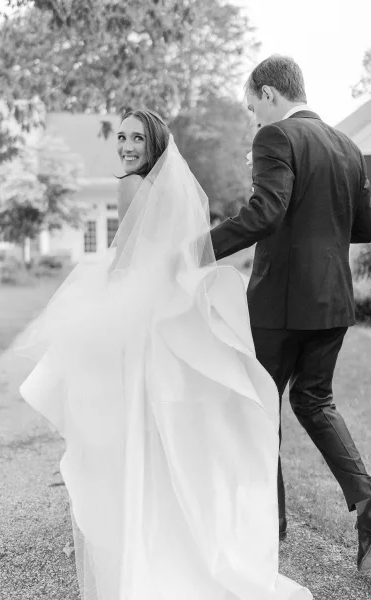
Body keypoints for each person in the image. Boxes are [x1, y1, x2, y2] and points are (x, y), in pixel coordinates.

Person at [18, 108, 312, 600]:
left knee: (123, 428)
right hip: (161, 319)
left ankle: (135, 543)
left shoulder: (132, 186)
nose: (127, 145)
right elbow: (174, 258)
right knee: (153, 433)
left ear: (154, 145)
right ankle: (160, 541)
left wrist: (97, 300)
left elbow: (124, 264)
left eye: (137, 137)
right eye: (122, 136)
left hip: (141, 324)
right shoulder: (168, 190)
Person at [210, 55, 371, 573]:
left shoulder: (276, 138)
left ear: (270, 93)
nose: (253, 116)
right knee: (313, 399)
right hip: (333, 300)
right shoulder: (348, 146)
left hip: (280, 304)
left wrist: (197, 250)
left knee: (259, 411)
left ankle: (268, 523)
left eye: (252, 104)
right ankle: (368, 500)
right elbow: (363, 223)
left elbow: (266, 211)